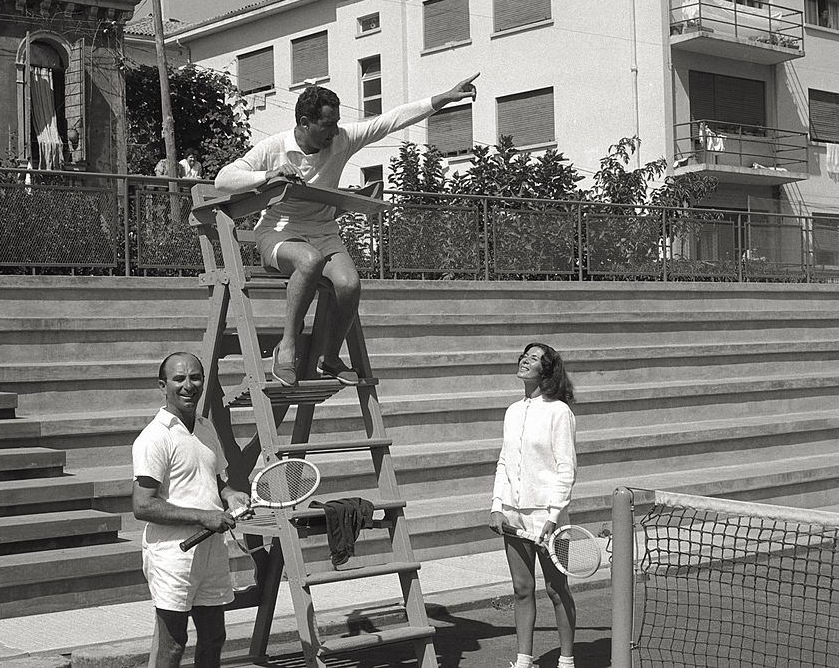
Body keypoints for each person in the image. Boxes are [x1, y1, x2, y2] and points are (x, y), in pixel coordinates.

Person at [214, 74, 479, 387]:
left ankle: (330, 356)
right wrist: (267, 175)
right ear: (304, 122)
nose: (335, 131)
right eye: (328, 125)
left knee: (350, 284)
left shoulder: (341, 139)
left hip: (324, 232)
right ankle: (286, 347)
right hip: (279, 234)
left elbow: (390, 120)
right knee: (309, 261)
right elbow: (223, 179)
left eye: (337, 123)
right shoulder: (274, 148)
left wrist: (444, 97)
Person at [131, 352, 250, 668]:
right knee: (173, 644)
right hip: (173, 554)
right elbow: (142, 505)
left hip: (211, 549)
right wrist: (203, 516)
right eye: (179, 379)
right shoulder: (153, 438)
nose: (188, 386)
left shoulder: (205, 427)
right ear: (163, 385)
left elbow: (214, 479)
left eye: (195, 377)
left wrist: (231, 496)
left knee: (214, 637)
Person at [489, 342, 577, 668]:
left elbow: (567, 468)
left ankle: (566, 661)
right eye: (525, 355)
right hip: (513, 515)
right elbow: (504, 461)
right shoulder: (512, 411)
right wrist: (497, 505)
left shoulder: (560, 413)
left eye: (535, 358)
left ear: (547, 371)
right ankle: (523, 662)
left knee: (557, 590)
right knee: (521, 589)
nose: (526, 360)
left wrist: (554, 515)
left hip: (549, 519)